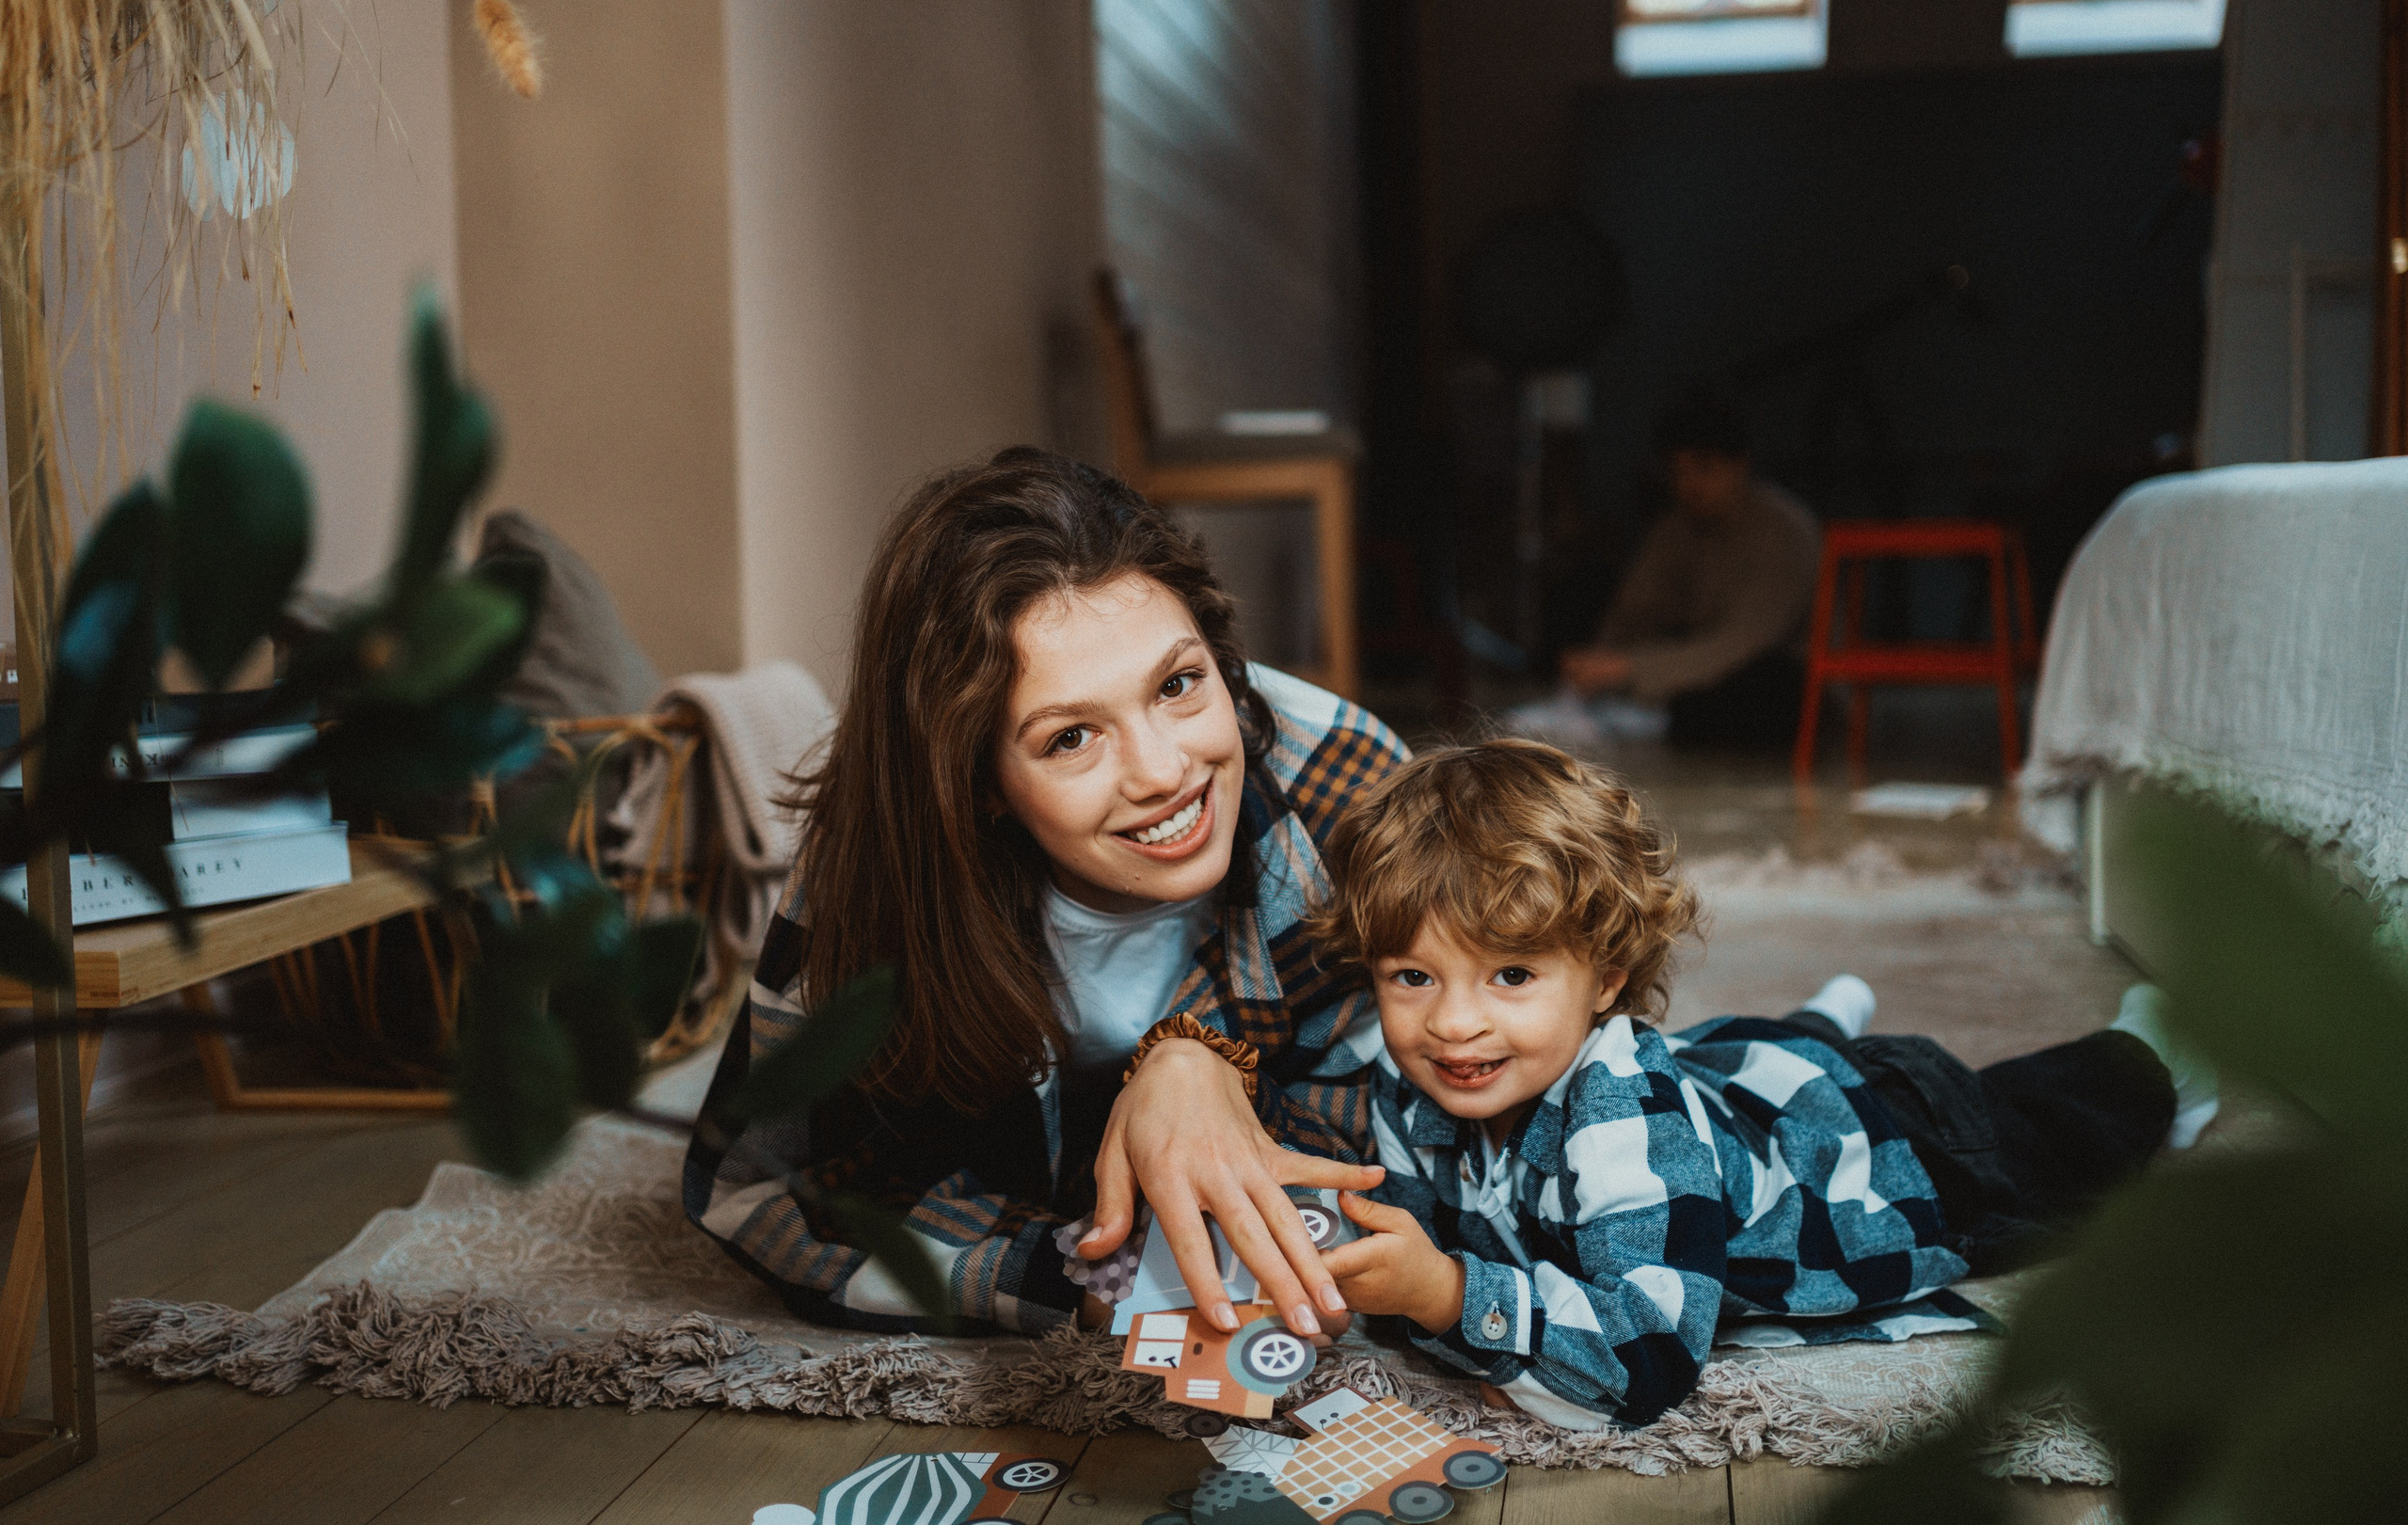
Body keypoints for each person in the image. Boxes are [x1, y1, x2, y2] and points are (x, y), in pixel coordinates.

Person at [684, 449, 1406, 1341]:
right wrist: (1082, 1274)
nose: (1164, 771)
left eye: (1179, 684)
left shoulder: (1350, 791)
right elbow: (767, 1186)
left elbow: (1426, 1110)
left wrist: (1199, 1061)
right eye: (1071, 738)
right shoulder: (875, 872)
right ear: (978, 780)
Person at [1305, 740, 2212, 1428]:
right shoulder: (1407, 1076)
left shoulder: (1627, 1111)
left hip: (1903, 1142)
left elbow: (1651, 1356)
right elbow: (1428, 1226)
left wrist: (1452, 1295)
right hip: (1745, 1080)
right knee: (1753, 1059)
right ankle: (1818, 1023)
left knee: (2070, 1134)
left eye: (1510, 976)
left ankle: (2149, 1044)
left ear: (1607, 978)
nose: (1452, 1024)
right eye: (1412, 977)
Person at [1556, 388, 1820, 749]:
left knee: (1762, 687)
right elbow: (1633, 611)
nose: (1689, 485)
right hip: (1692, 667)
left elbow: (1742, 642)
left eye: (1704, 468)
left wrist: (1629, 666)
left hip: (1776, 677)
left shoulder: (1784, 531)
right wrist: (1600, 660)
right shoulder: (1676, 528)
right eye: (1678, 471)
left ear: (1739, 463)